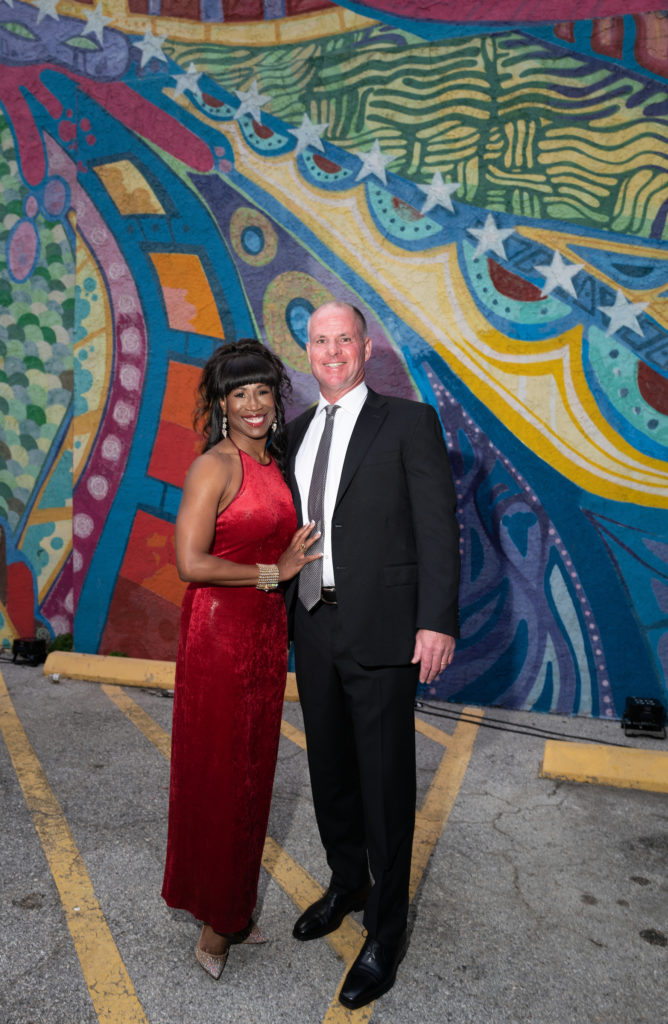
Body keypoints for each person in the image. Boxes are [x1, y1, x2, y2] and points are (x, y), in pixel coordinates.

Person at [286, 301, 460, 1010]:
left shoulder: (409, 423)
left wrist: (437, 622)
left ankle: (386, 934)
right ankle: (347, 882)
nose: (332, 351)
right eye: (320, 341)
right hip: (313, 628)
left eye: (343, 339)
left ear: (365, 347)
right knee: (328, 772)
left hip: (386, 632)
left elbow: (439, 529)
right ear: (309, 351)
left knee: (385, 786)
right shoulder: (294, 432)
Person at [161, 339, 320, 981]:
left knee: (254, 778)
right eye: (239, 394)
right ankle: (214, 922)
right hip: (220, 636)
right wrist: (271, 571)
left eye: (262, 392)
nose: (253, 405)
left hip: (263, 638)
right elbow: (189, 563)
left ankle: (235, 905)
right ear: (222, 405)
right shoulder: (216, 467)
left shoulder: (277, 462)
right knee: (222, 780)